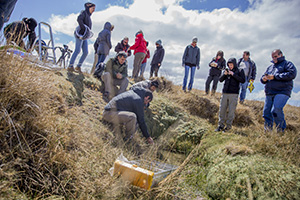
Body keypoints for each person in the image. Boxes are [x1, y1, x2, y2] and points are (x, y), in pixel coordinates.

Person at [261, 49, 297, 132]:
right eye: (272, 57)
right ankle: (268, 131)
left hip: (282, 91)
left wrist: (275, 76)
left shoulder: (288, 64)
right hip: (270, 92)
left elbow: (292, 74)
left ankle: (280, 130)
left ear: (281, 55)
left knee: (276, 109)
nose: (274, 58)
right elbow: (262, 79)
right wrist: (264, 79)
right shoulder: (270, 67)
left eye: (275, 56)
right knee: (266, 112)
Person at [215, 58, 245, 132]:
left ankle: (228, 127)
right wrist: (224, 74)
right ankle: (220, 126)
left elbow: (242, 80)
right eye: (229, 65)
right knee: (222, 110)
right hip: (225, 93)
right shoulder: (226, 70)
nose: (230, 66)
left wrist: (233, 74)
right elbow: (220, 80)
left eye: (231, 65)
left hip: (234, 94)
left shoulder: (240, 70)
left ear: (234, 64)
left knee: (231, 111)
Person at [68, 2, 95, 73]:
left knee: (85, 52)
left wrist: (87, 32)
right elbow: (79, 19)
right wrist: (83, 28)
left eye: (94, 9)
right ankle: (70, 66)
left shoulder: (89, 17)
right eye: (92, 8)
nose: (93, 10)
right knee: (77, 50)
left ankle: (78, 66)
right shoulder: (84, 13)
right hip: (80, 34)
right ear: (88, 7)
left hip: (84, 37)